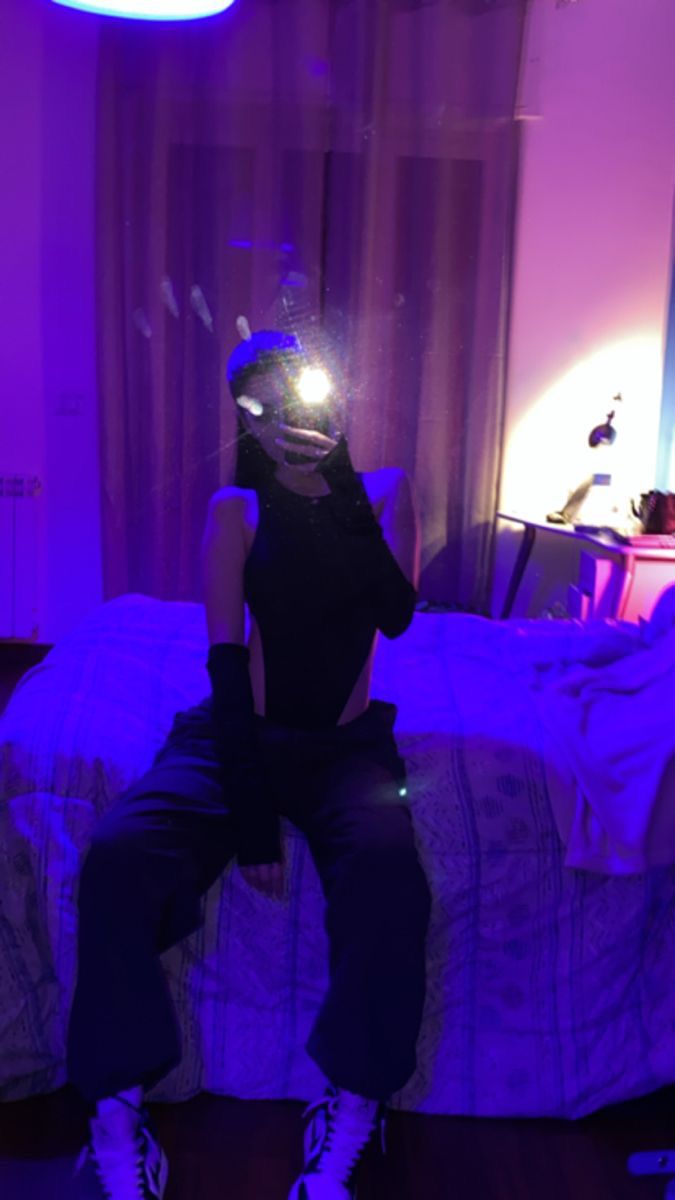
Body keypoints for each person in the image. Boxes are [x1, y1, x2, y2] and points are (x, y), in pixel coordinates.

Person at [67, 324, 432, 1200]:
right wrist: (253, 814)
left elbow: (395, 614)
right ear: (244, 419)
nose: (278, 420)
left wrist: (339, 484)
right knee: (117, 854)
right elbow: (227, 664)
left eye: (292, 396)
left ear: (330, 398)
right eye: (257, 407)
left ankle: (352, 1103)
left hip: (346, 749)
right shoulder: (234, 510)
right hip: (237, 735)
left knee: (390, 881)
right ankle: (116, 1109)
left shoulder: (384, 492)